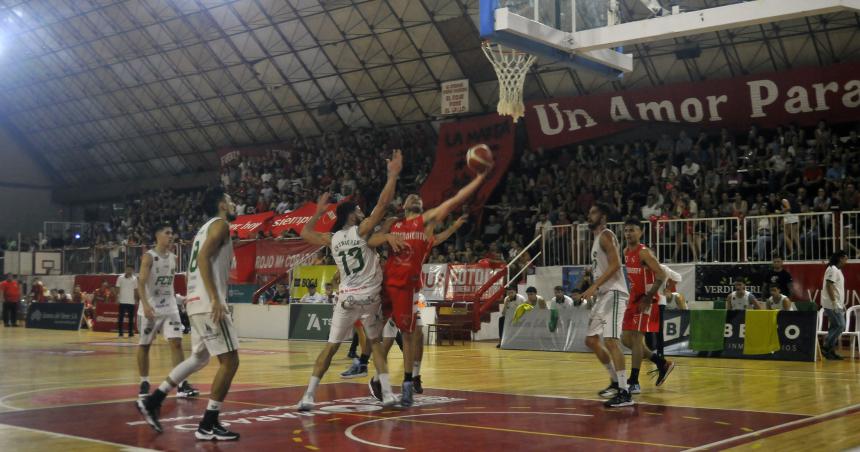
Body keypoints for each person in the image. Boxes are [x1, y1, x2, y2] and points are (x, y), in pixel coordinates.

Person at [296, 149, 404, 411]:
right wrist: (392, 176)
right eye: (357, 210)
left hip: (345, 298)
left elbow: (304, 232)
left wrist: (319, 211)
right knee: (376, 343)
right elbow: (382, 205)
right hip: (368, 297)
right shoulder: (361, 230)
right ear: (350, 215)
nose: (360, 211)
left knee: (331, 347)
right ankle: (387, 394)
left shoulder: (331, 239)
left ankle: (308, 396)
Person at [137, 188, 241, 441]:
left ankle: (154, 399)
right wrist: (216, 298)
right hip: (207, 303)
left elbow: (198, 263)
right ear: (221, 205)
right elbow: (204, 259)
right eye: (230, 200)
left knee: (198, 358)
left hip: (194, 302)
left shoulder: (202, 231)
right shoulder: (220, 226)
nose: (234, 203)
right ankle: (208, 422)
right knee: (230, 361)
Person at [382, 162, 490, 406]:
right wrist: (385, 235)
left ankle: (411, 378)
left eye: (418, 197)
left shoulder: (424, 227)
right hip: (390, 288)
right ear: (403, 206)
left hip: (411, 289)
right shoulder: (394, 225)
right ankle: (381, 374)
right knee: (391, 336)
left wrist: (453, 225)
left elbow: (444, 226)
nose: (415, 198)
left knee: (412, 334)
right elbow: (373, 238)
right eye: (411, 196)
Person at [575, 203, 633, 408]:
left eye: (593, 212)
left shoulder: (606, 235)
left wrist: (594, 286)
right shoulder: (597, 239)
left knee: (611, 341)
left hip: (614, 292)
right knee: (591, 340)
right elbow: (604, 267)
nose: (589, 216)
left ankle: (625, 392)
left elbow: (617, 264)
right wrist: (590, 281)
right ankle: (616, 382)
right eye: (589, 212)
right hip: (603, 294)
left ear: (603, 216)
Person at [136, 223, 199, 400]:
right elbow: (140, 283)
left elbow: (169, 284)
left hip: (170, 307)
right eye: (167, 233)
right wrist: (146, 305)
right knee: (145, 345)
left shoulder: (173, 257)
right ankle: (144, 381)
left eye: (172, 233)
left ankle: (181, 383)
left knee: (177, 343)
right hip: (151, 308)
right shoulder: (149, 257)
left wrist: (180, 299)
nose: (171, 236)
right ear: (157, 235)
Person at [620, 218, 675, 395]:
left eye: (632, 230)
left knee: (636, 339)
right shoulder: (626, 251)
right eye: (626, 230)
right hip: (634, 298)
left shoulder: (644, 253)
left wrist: (649, 296)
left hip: (647, 298)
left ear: (640, 232)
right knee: (625, 339)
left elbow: (661, 275)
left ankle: (634, 381)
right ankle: (661, 362)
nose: (628, 233)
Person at [821, 250, 848, 360]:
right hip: (831, 304)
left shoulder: (837, 270)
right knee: (840, 325)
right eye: (846, 259)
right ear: (840, 258)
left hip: (836, 303)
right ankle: (826, 346)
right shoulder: (832, 269)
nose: (847, 261)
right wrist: (834, 302)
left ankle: (830, 351)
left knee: (834, 326)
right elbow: (829, 285)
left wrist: (840, 303)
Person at [116, 265, 139, 337]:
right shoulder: (120, 277)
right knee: (121, 317)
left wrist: (136, 299)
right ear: (125, 269)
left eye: (130, 269)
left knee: (131, 318)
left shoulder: (135, 279)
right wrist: (117, 297)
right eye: (127, 269)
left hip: (131, 301)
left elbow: (136, 289)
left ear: (133, 270)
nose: (129, 270)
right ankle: (120, 332)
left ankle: (130, 332)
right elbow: (117, 288)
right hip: (122, 300)